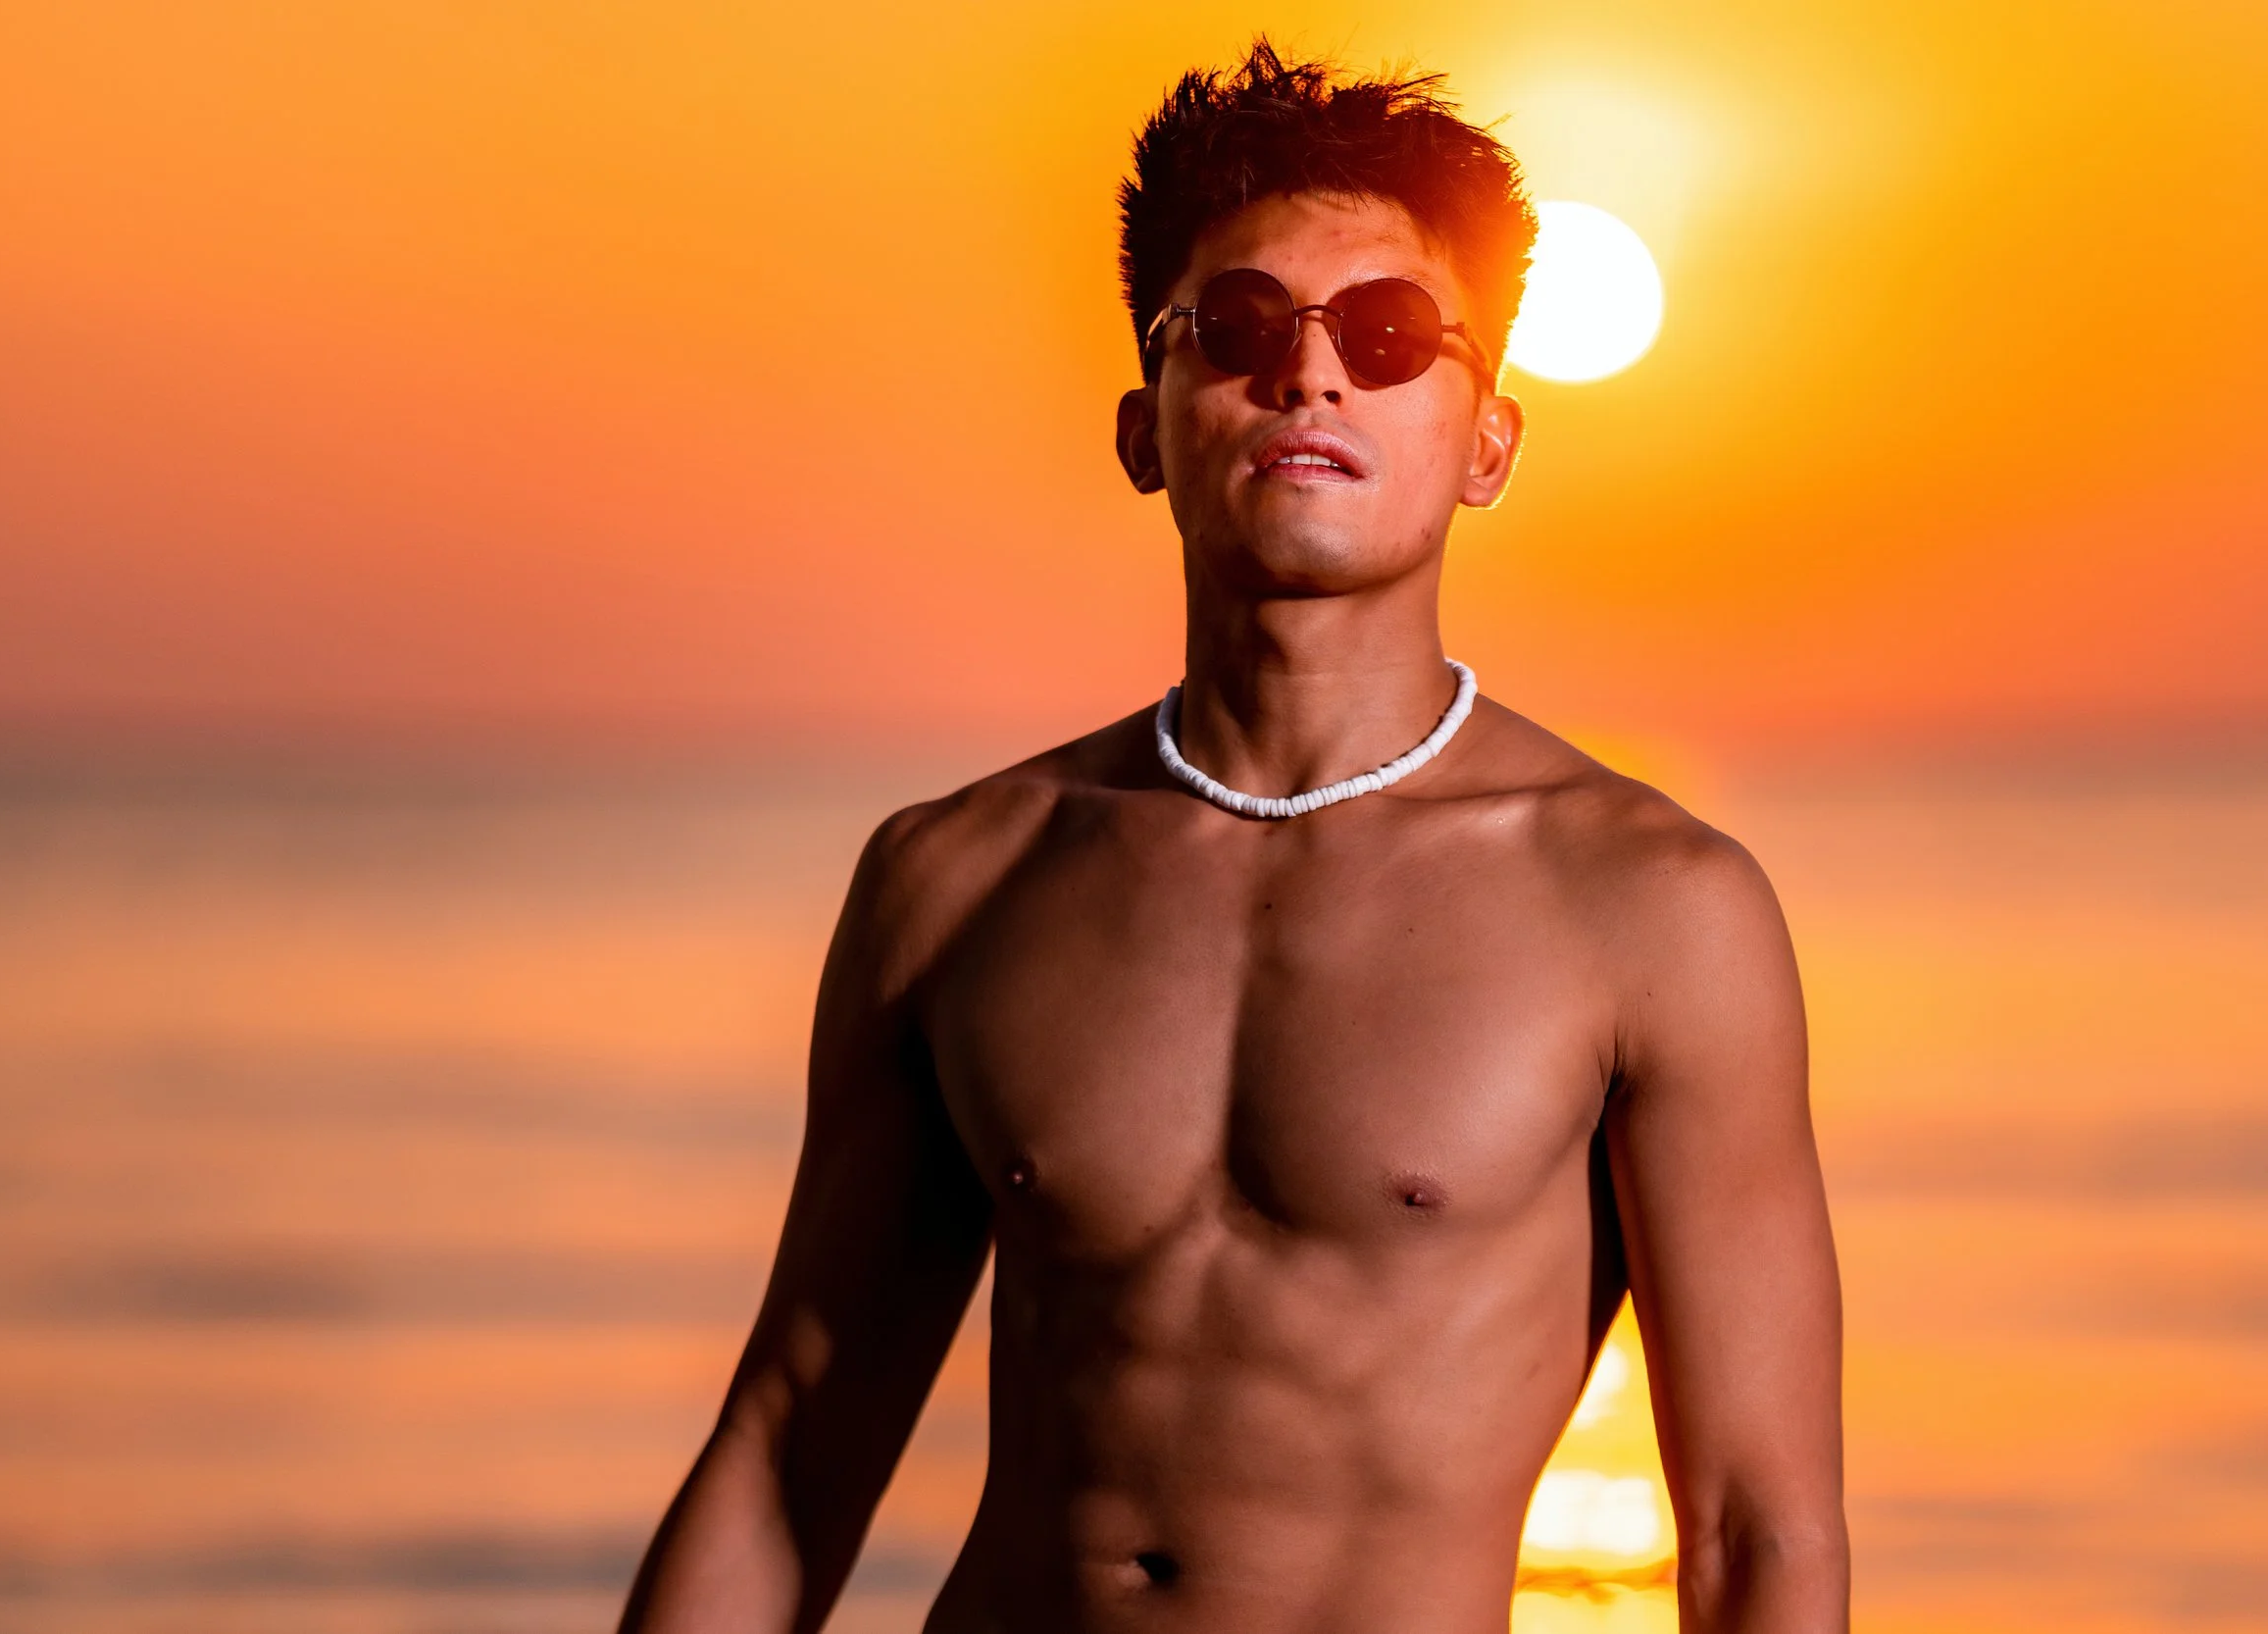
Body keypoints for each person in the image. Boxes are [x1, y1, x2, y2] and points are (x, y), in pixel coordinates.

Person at [621, 41, 1846, 1634]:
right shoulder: (959, 879)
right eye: (1244, 327)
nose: (1313, 376)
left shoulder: (1650, 908)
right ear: (1148, 426)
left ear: (1488, 444)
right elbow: (788, 1457)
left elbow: (1759, 1533)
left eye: (1392, 334)